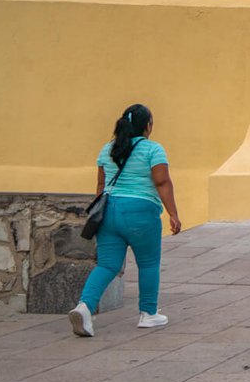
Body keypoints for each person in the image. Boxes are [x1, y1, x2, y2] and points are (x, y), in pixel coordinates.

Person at [69, 103, 181, 337]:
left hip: (109, 211)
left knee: (107, 265)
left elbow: (100, 186)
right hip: (141, 211)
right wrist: (173, 213)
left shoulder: (107, 149)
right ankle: (148, 314)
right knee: (148, 263)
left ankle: (84, 307)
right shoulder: (153, 149)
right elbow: (162, 182)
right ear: (148, 126)